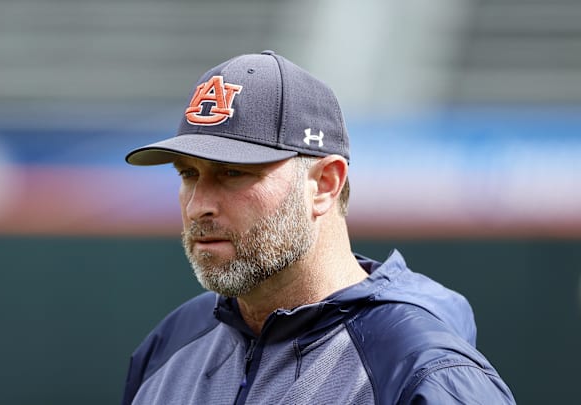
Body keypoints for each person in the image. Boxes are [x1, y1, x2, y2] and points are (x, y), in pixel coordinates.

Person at [122, 50, 515, 404]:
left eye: (232, 173)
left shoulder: (422, 374)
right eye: (189, 174)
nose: (198, 206)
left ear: (324, 184)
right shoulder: (170, 344)